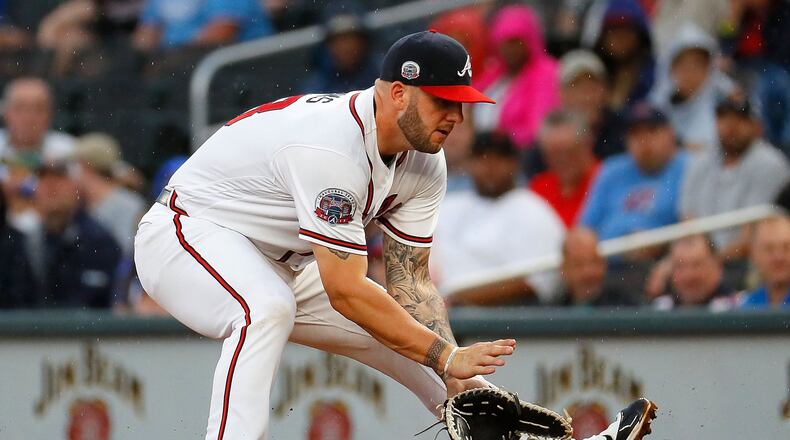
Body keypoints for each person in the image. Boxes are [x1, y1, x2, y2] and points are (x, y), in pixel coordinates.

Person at [134, 31, 652, 440]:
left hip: (278, 260)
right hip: (184, 235)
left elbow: (412, 286)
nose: (455, 116)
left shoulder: (425, 162)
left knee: (419, 352)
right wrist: (445, 355)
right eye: (442, 101)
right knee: (266, 308)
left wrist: (452, 368)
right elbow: (345, 290)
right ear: (398, 93)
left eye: (461, 103)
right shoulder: (333, 147)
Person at [432, 132, 565, 306]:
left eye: (499, 159)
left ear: (515, 163)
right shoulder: (450, 205)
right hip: (436, 306)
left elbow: (535, 285)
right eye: (482, 159)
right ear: (470, 163)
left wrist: (458, 298)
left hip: (499, 316)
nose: (490, 167)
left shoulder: (533, 210)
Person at [680, 97, 790, 257]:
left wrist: (713, 262)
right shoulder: (701, 161)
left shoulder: (771, 163)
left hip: (745, 261)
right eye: (723, 117)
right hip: (701, 259)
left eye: (740, 118)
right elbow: (687, 219)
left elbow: (752, 234)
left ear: (757, 125)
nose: (730, 126)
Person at [580, 102, 686, 242]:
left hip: (664, 252)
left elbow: (691, 226)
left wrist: (659, 243)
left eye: (652, 130)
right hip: (607, 253)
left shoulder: (688, 167)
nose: (644, 141)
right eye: (635, 134)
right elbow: (585, 227)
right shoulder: (612, 170)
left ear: (671, 133)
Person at [33, 161, 121, 308]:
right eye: (43, 180)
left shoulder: (100, 242)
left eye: (59, 180)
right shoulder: (23, 240)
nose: (50, 187)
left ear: (76, 188)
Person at [473, 4, 560, 149]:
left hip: (518, 155)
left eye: (515, 42)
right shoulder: (495, 73)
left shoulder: (546, 72)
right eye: (504, 42)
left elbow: (538, 127)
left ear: (529, 40)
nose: (510, 49)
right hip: (481, 153)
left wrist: (501, 140)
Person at [650, 23, 737, 152]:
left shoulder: (726, 96)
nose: (691, 72)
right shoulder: (658, 103)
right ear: (671, 68)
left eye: (698, 64)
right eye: (684, 65)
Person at [71, 132, 146, 257]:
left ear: (85, 166)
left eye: (75, 164)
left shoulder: (129, 205)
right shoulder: (77, 204)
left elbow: (125, 255)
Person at [530, 110, 600, 228]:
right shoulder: (539, 188)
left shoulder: (605, 180)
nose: (562, 159)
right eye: (553, 153)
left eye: (569, 152)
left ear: (586, 145)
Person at [558, 49, 626, 160]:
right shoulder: (550, 137)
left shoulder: (625, 130)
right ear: (562, 93)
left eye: (592, 85)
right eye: (577, 87)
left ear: (606, 90)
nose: (586, 96)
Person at [591, 0, 655, 112]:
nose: (619, 39)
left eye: (625, 32)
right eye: (612, 32)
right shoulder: (591, 74)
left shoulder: (655, 77)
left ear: (640, 36)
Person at [132, 0, 273, 51]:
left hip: (244, 68)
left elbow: (222, 33)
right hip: (187, 67)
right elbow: (142, 39)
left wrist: (168, 45)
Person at [300, 3, 378, 94]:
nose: (347, 46)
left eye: (351, 38)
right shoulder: (315, 88)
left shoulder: (382, 75)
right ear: (329, 45)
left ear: (363, 41)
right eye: (340, 40)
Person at [0, 77, 75, 170]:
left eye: (38, 109)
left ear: (50, 113)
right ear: (5, 112)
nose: (28, 118)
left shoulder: (69, 150)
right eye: (20, 108)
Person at [652, 235, 736, 310]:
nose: (688, 275)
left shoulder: (737, 308)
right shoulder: (658, 310)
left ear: (717, 266)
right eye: (680, 266)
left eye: (697, 265)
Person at [559, 228, 636, 307]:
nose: (589, 272)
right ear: (564, 269)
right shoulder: (555, 309)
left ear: (604, 264)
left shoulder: (626, 306)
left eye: (594, 262)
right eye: (579, 265)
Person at [740, 216, 790, 309]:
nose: (779, 257)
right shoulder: (747, 307)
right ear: (753, 254)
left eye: (786, 247)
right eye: (769, 249)